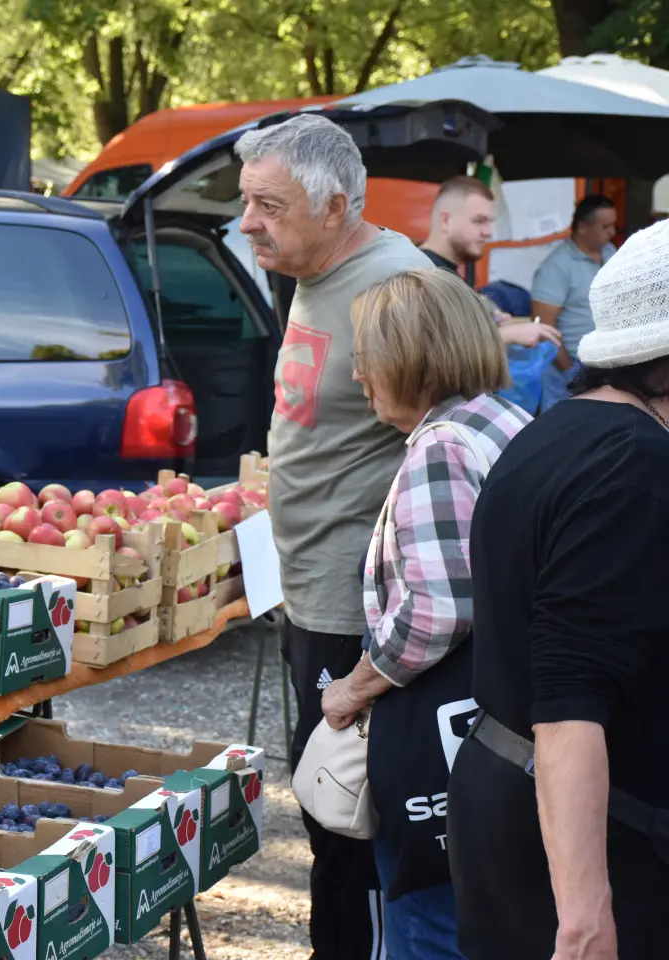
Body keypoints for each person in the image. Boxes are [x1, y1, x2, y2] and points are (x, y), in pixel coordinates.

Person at [236, 112, 430, 960]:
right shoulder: (319, 271)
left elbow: (445, 442)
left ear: (337, 205)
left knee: (356, 823)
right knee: (325, 811)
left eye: (268, 206)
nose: (248, 224)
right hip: (310, 586)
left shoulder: (397, 287)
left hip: (361, 604)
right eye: (247, 202)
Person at [449, 218, 669, 959]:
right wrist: (584, 919)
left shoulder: (558, 430)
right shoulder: (634, 466)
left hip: (513, 802)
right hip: (581, 840)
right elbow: (569, 698)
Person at [320, 268, 530, 959]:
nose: (358, 375)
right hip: (510, 734)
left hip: (447, 748)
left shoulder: (441, 448)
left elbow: (440, 608)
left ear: (412, 357)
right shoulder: (504, 419)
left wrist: (352, 687)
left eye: (367, 356)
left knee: (433, 923)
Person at [421, 176, 563, 351]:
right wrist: (507, 335)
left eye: (490, 222)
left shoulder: (444, 272)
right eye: (479, 221)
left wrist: (488, 320)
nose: (488, 232)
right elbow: (432, 349)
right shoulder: (422, 277)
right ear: (445, 221)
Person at [530, 193, 617, 410]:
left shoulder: (611, 253)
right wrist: (569, 371)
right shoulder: (556, 267)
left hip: (606, 363)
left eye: (613, 225)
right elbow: (543, 326)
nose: (612, 232)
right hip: (571, 365)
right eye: (605, 227)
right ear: (583, 227)